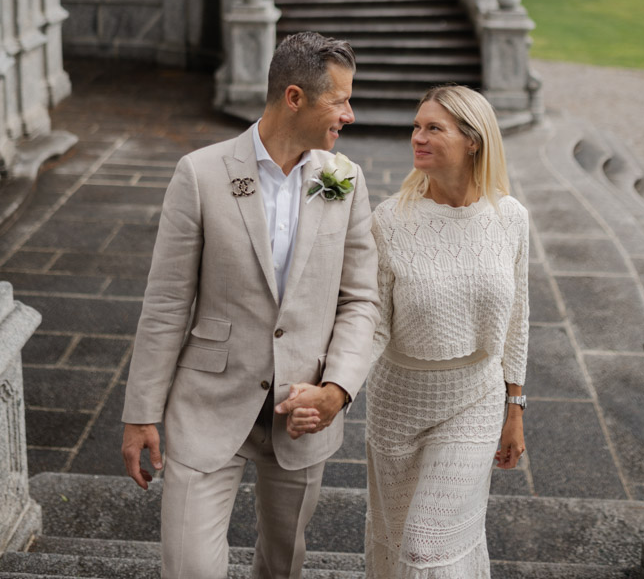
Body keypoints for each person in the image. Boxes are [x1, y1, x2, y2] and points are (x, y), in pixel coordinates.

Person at [121, 31, 379, 579]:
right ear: (294, 98)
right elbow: (167, 302)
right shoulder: (200, 173)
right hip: (208, 405)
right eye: (340, 101)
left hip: (302, 414)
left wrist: (337, 389)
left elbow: (360, 300)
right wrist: (141, 411)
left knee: (282, 566)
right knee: (190, 567)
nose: (350, 115)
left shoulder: (343, 179)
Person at [364, 84, 529, 578]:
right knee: (395, 542)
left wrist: (514, 408)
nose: (417, 136)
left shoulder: (511, 218)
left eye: (433, 127)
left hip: (474, 400)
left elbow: (518, 318)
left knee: (426, 548)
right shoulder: (389, 221)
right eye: (416, 126)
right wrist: (336, 388)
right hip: (398, 403)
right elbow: (372, 324)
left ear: (473, 140)